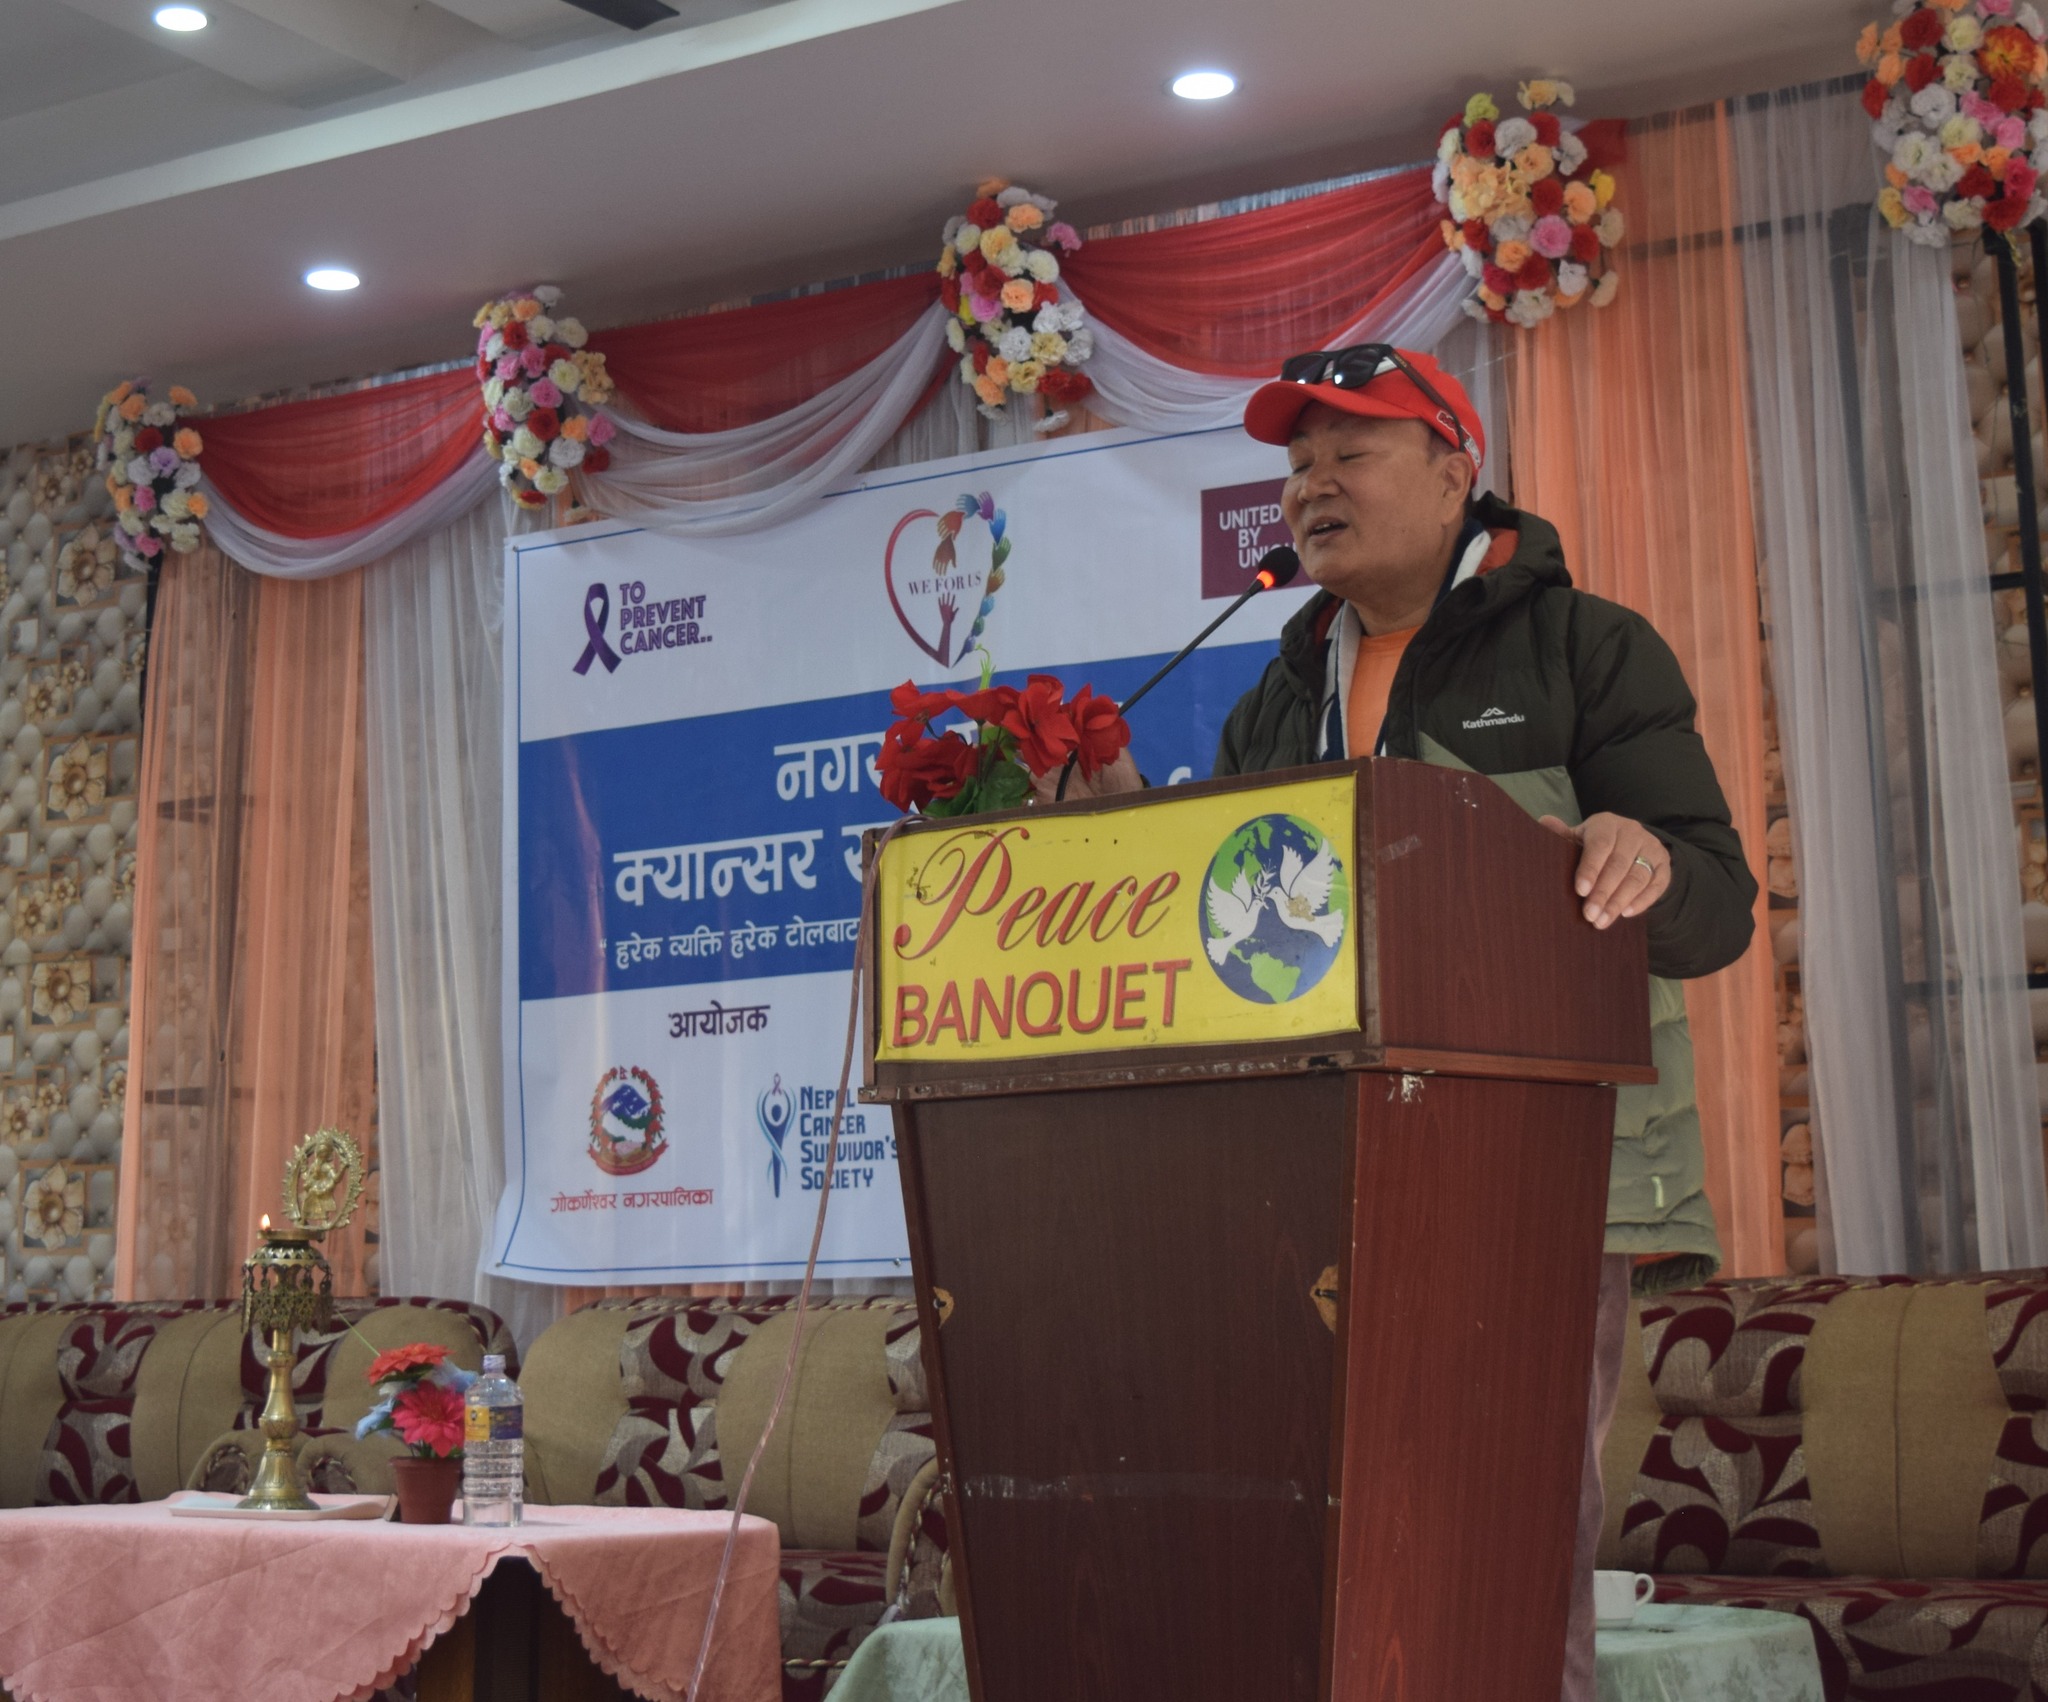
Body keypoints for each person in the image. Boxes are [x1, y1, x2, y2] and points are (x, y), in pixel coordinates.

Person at [1214, 344, 1755, 1700]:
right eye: (1296, 464)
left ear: (1456, 470)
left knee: (1501, 1538)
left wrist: (1642, 857)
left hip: (1540, 1172)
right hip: (1314, 1176)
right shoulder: (1274, 696)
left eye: (1350, 452)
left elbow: (1716, 909)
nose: (1312, 485)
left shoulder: (1584, 647)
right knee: (1316, 1541)